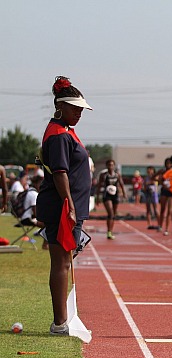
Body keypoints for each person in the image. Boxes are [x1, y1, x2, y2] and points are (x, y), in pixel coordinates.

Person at [36, 76, 92, 336]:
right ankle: (60, 323)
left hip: (69, 207)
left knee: (65, 261)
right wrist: (69, 206)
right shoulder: (58, 134)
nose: (79, 113)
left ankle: (62, 320)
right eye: (74, 108)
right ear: (60, 106)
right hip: (62, 207)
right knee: (61, 263)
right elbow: (60, 172)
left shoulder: (65, 130)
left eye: (81, 110)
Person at [98, 159, 126, 240]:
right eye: (109, 165)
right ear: (107, 166)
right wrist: (97, 196)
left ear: (114, 166)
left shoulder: (117, 175)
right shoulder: (103, 175)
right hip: (107, 195)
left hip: (115, 195)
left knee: (113, 214)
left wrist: (124, 194)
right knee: (110, 213)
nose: (111, 166)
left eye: (112, 165)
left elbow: (121, 184)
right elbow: (99, 185)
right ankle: (109, 232)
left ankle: (110, 230)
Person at [154, 157, 172, 233]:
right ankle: (160, 225)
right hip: (164, 191)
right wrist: (161, 182)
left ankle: (167, 228)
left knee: (170, 211)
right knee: (163, 209)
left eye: (169, 163)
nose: (168, 165)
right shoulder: (163, 171)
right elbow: (154, 177)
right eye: (167, 163)